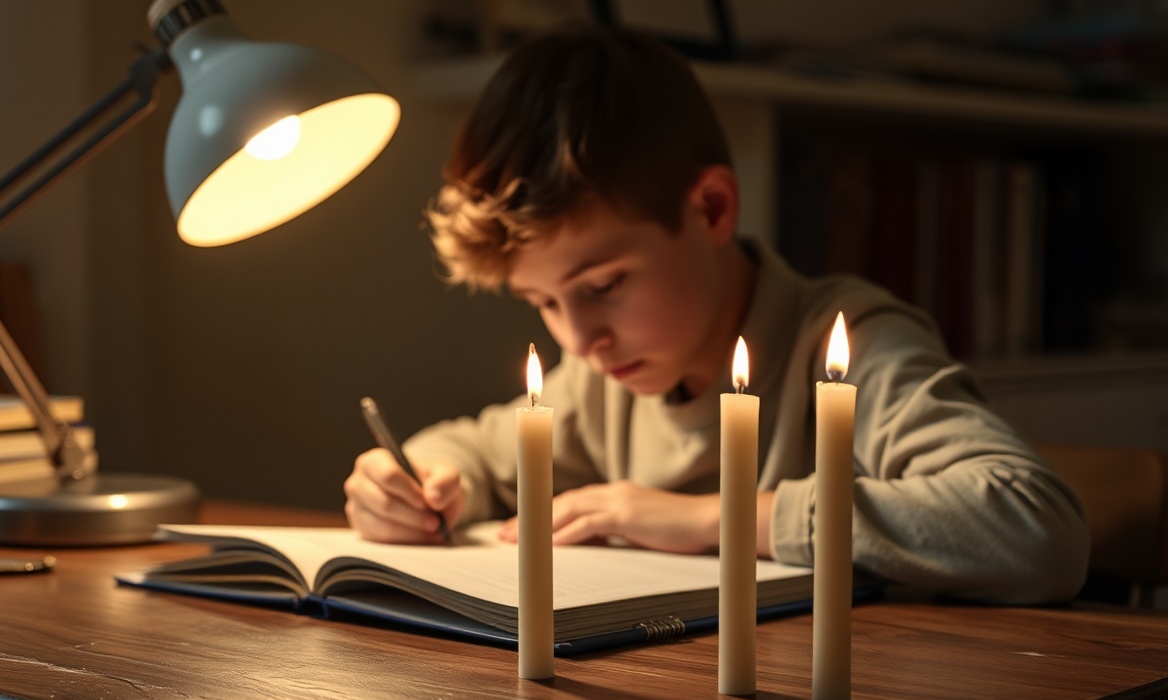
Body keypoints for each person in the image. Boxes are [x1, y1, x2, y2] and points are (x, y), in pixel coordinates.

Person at [342, 24, 1088, 604]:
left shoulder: (849, 344)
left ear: (712, 208)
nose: (580, 337)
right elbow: (474, 447)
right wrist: (423, 483)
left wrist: (709, 519)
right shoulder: (603, 378)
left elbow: (1035, 528)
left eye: (603, 284)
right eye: (542, 302)